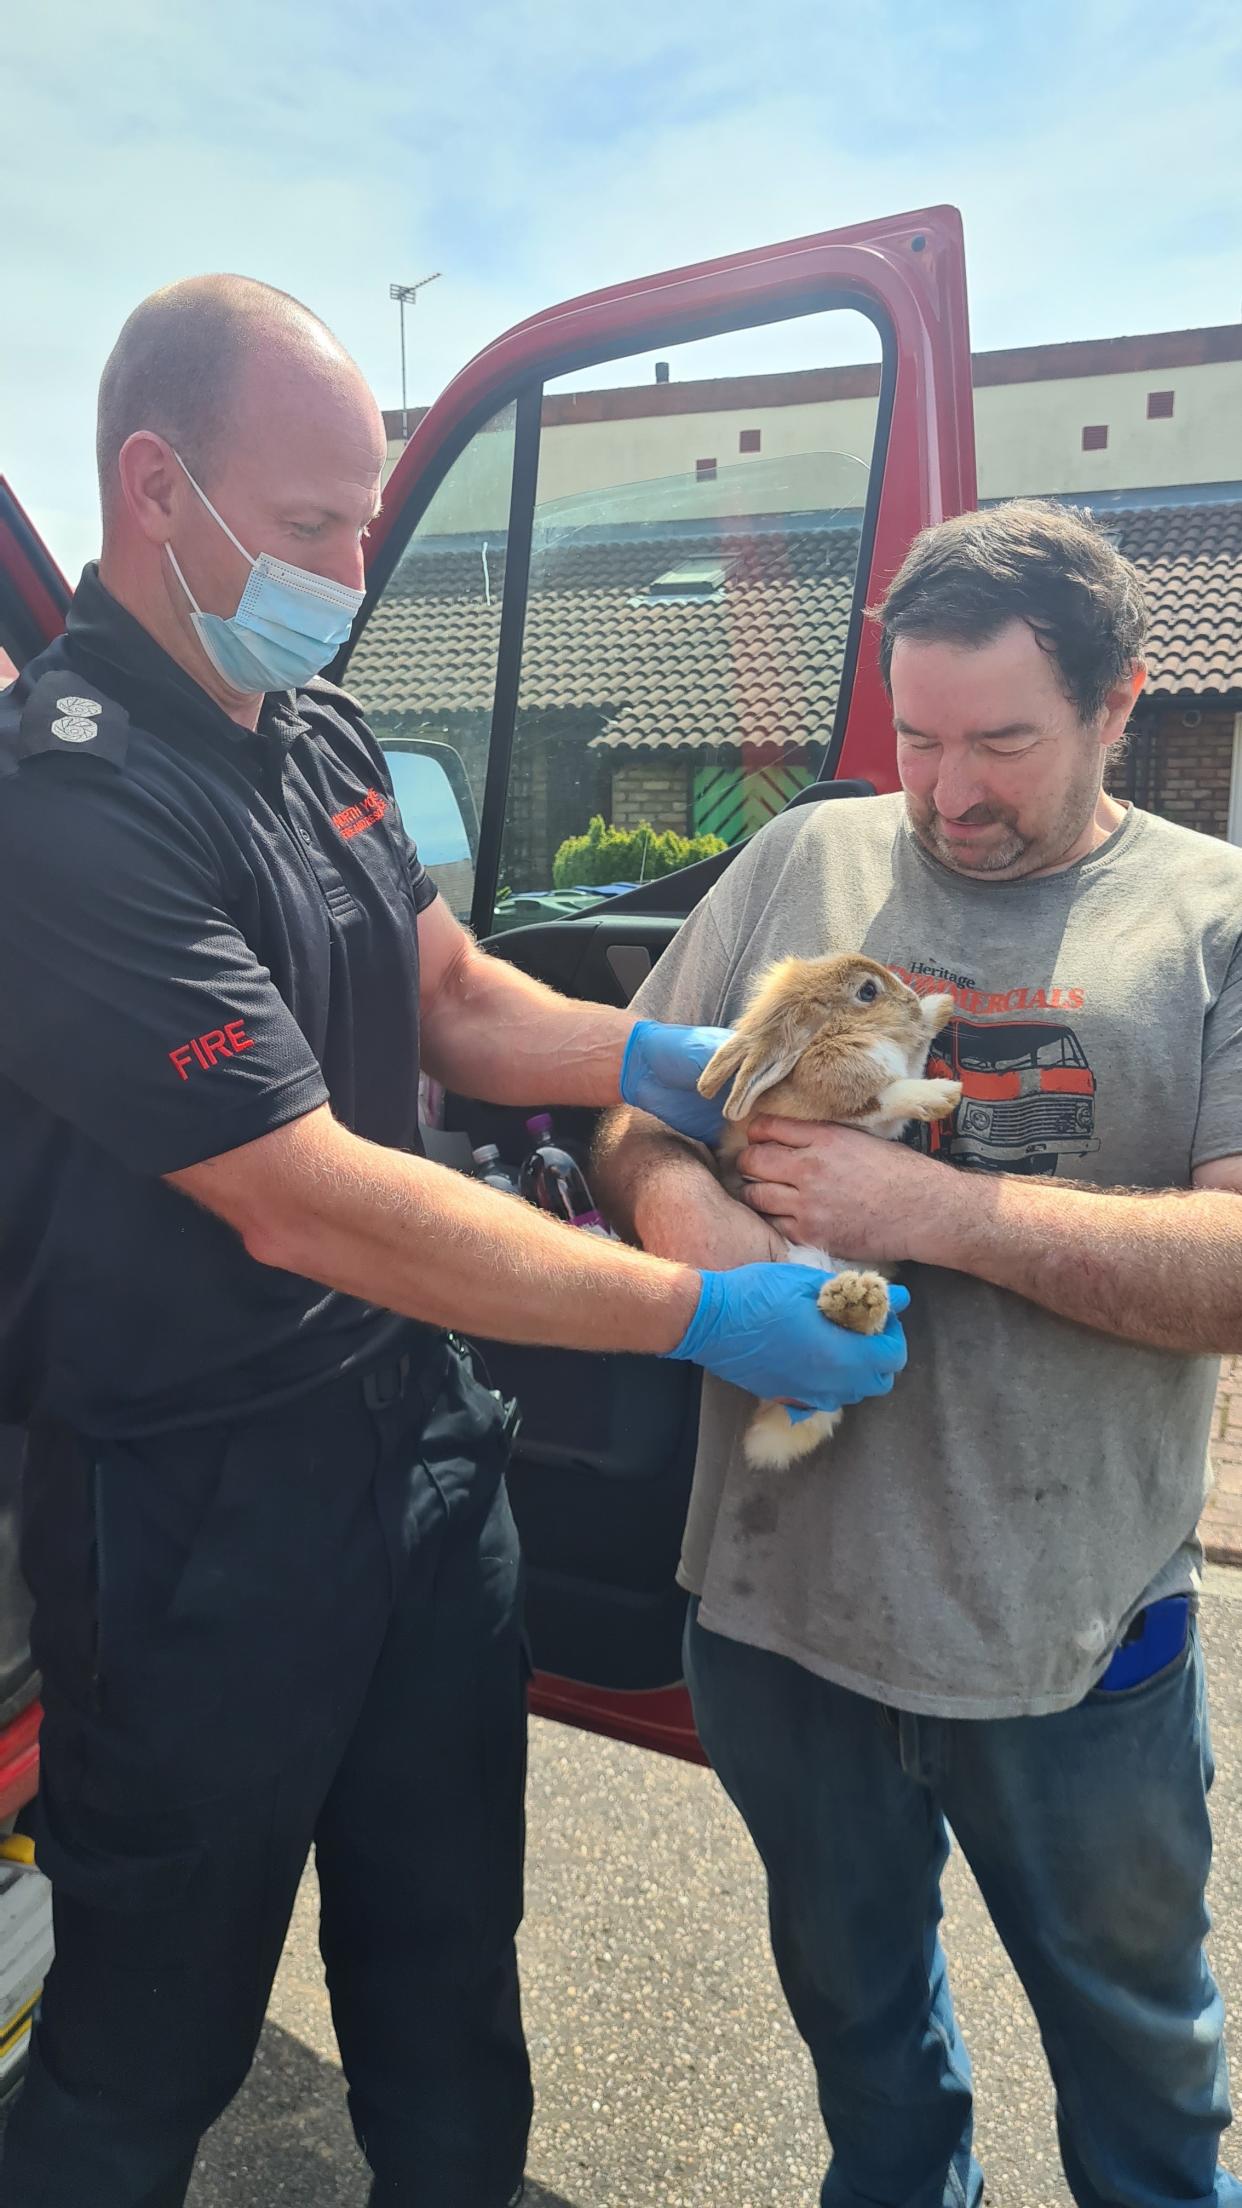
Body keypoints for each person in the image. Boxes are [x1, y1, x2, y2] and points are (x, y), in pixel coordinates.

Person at [0, 276, 909, 2208]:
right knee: (140, 2047)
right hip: (191, 1516)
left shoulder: (313, 731)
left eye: (365, 517)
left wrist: (706, 1059)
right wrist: (701, 1308)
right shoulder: (65, 802)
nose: (350, 564)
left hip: (412, 1457)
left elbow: (458, 1001)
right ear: (159, 489)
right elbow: (305, 1186)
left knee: (445, 1988)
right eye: (319, 521)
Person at [595, 499, 1242, 2207]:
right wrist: (704, 1237)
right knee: (869, 2070)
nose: (950, 792)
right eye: (920, 735)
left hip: (1066, 1640)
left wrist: (934, 1214)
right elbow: (635, 1112)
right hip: (782, 1621)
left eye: (1007, 743)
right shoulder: (803, 860)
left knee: (1148, 2090)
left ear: (1122, 703)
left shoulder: (1208, 917)